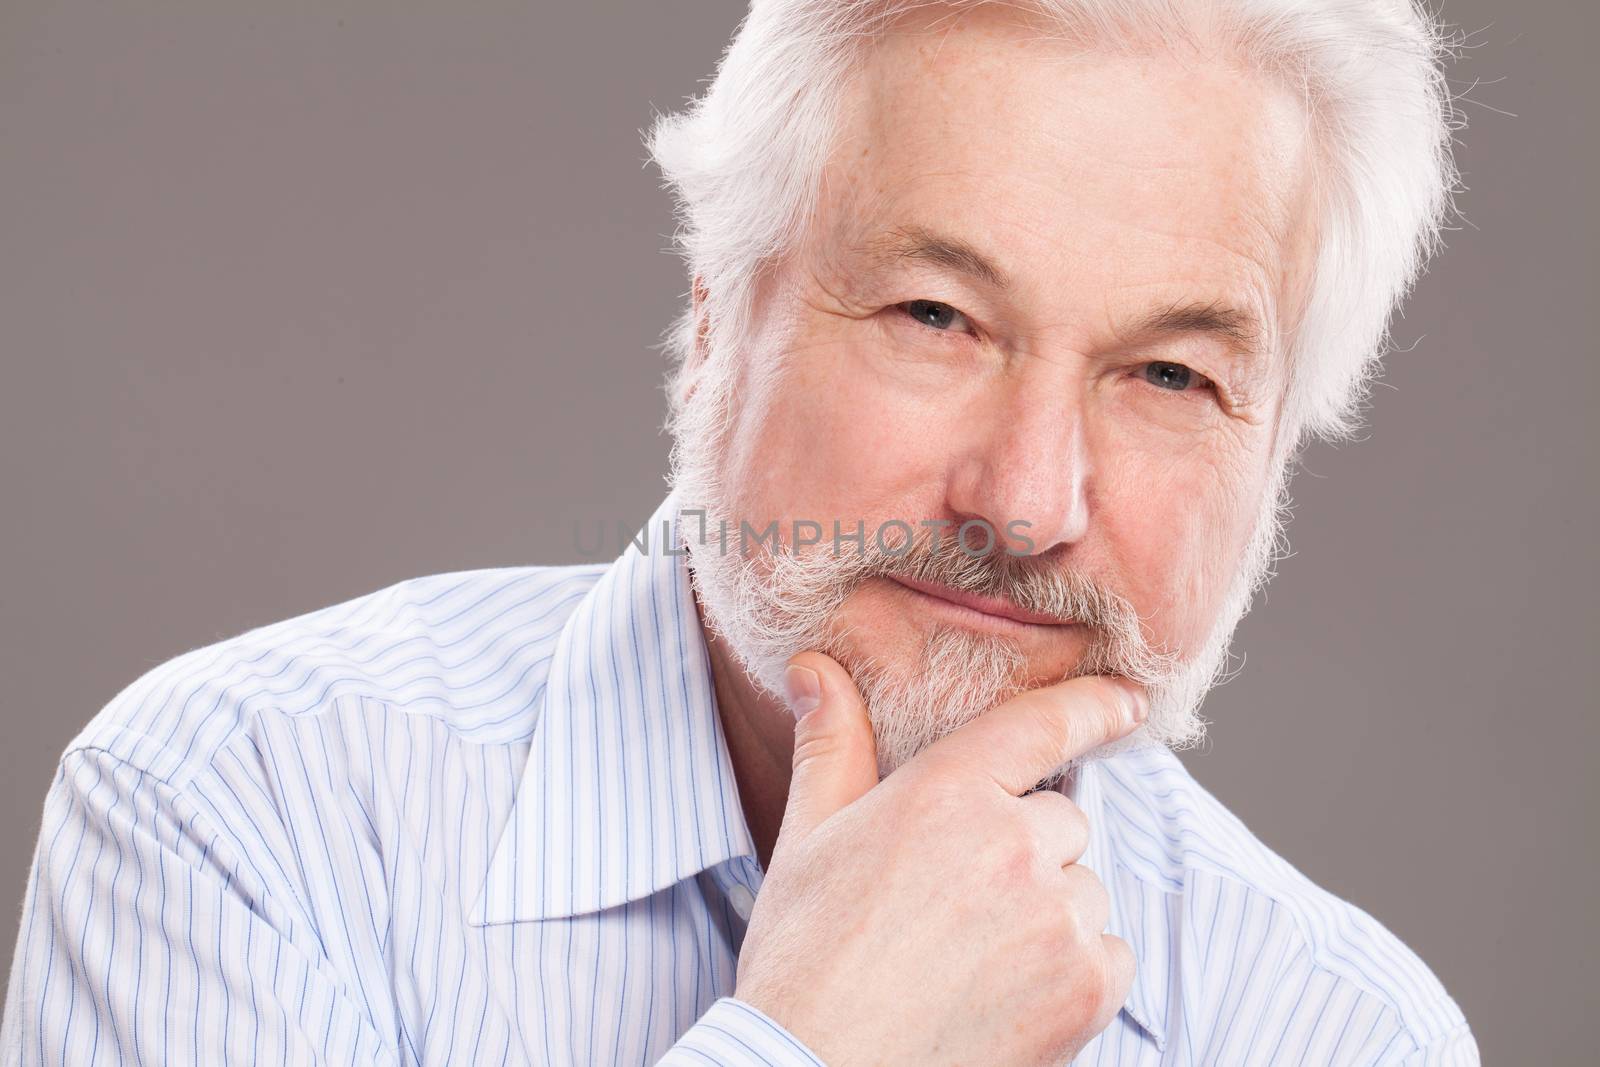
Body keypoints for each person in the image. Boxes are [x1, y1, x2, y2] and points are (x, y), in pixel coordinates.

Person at [1, 1, 1478, 1063]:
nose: (1028, 500)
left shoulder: (1347, 1031)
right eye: (937, 316)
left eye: (1170, 375)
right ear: (715, 319)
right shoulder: (245, 818)